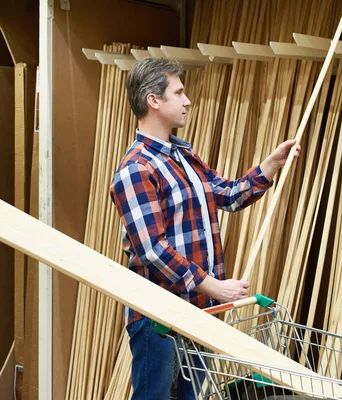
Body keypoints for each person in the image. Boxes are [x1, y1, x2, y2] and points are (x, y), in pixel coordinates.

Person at [109, 57, 300, 400]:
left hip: (199, 313)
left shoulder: (183, 155)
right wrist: (215, 286)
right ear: (154, 100)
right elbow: (152, 250)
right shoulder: (135, 169)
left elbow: (226, 195)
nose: (188, 100)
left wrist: (271, 165)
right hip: (160, 320)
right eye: (178, 93)